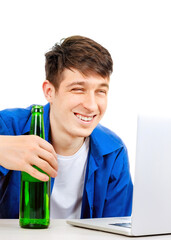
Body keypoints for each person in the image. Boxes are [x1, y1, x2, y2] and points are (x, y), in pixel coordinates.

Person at [0, 35, 133, 219]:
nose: (92, 105)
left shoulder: (114, 152)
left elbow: (116, 227)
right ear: (49, 91)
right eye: (78, 89)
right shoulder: (8, 128)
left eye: (101, 91)